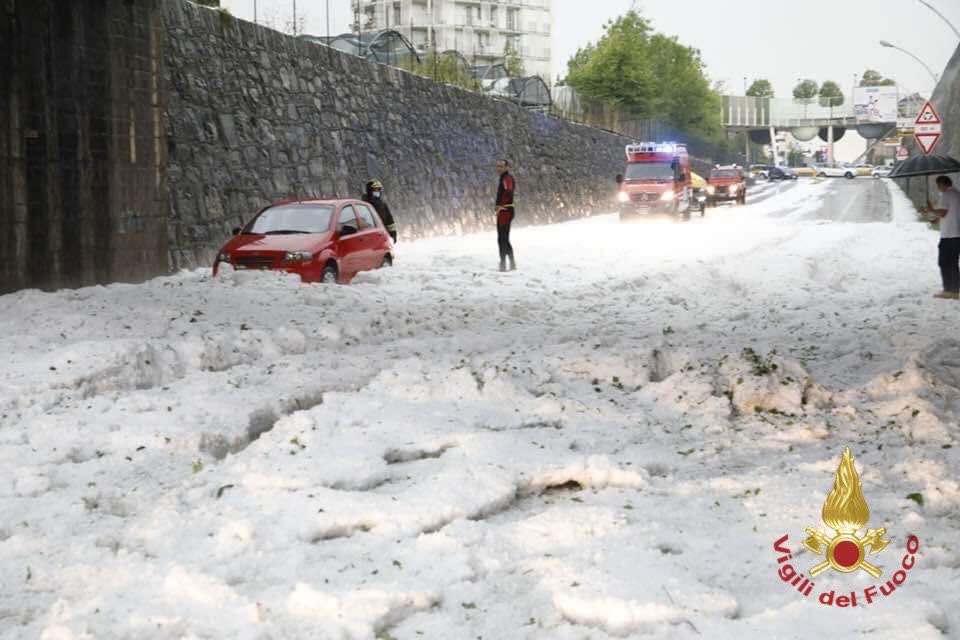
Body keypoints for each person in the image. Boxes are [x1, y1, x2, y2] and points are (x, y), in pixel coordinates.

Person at [927, 175, 960, 299]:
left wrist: (931, 210)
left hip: (949, 235)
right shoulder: (957, 194)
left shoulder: (946, 195)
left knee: (944, 262)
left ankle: (949, 290)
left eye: (938, 185)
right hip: (957, 234)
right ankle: (956, 290)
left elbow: (943, 212)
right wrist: (937, 219)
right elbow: (950, 213)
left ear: (942, 184)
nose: (938, 188)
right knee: (953, 263)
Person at [495, 159, 516, 272]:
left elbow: (508, 191)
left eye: (501, 166)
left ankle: (504, 263)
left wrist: (501, 205)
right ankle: (510, 263)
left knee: (503, 238)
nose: (499, 168)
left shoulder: (507, 178)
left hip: (505, 211)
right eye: (498, 166)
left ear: (507, 167)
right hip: (505, 210)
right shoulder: (504, 178)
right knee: (503, 238)